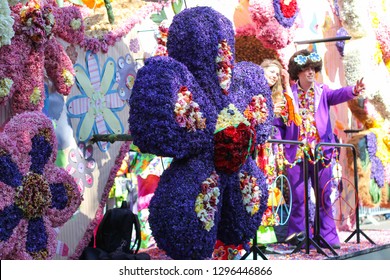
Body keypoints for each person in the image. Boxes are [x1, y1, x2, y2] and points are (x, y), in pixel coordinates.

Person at [272, 49, 365, 249]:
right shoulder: (289, 95)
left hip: (321, 152)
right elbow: (278, 123)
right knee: (298, 198)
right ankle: (298, 237)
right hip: (295, 154)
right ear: (297, 73)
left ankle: (328, 236)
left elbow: (338, 94)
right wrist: (279, 144)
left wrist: (354, 90)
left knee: (324, 195)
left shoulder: (323, 92)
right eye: (305, 69)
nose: (310, 73)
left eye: (313, 69)